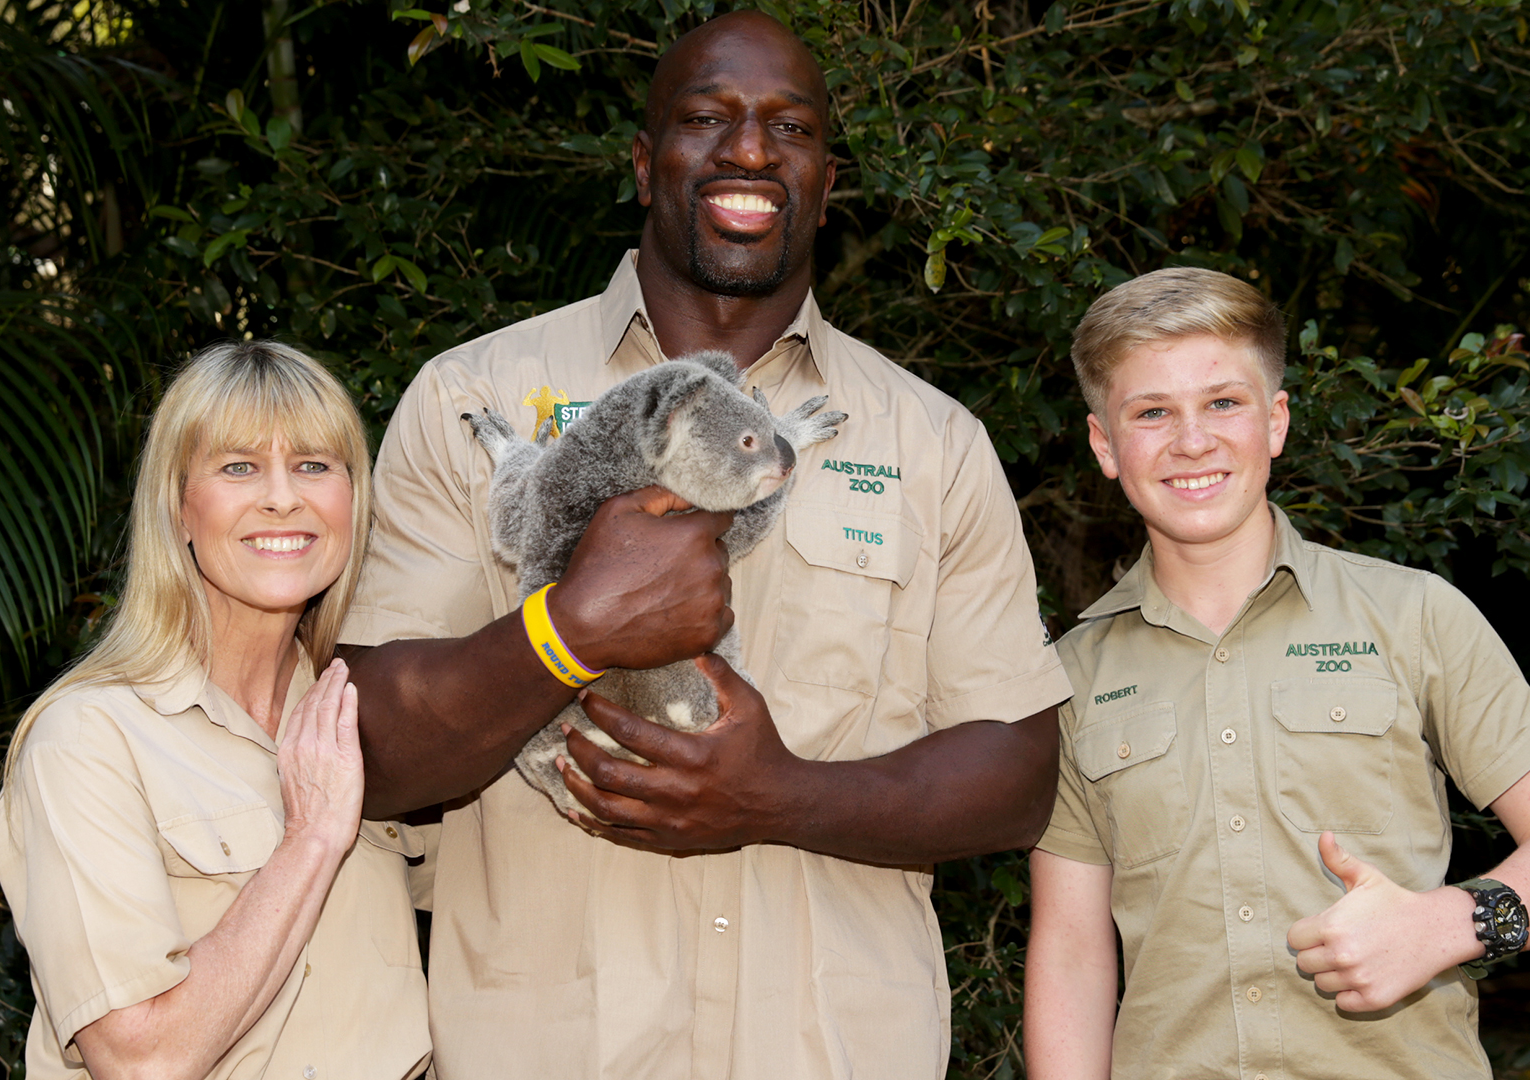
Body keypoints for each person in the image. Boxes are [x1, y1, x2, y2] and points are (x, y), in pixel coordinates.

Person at [335, 10, 1072, 1078]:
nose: (749, 149)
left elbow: (1018, 775)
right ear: (645, 163)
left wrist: (778, 797)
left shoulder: (933, 441)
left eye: (791, 127)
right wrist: (569, 630)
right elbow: (363, 748)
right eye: (705, 117)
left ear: (826, 180)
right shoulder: (474, 397)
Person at [1022, 267, 1530, 1079]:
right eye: (1151, 413)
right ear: (1106, 444)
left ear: (1275, 421)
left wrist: (1450, 923)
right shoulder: (1071, 677)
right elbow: (1070, 950)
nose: (1192, 441)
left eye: (1223, 402)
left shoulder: (1414, 616)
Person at [0, 342, 430, 1080]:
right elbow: (141, 1061)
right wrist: (313, 836)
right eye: (238, 467)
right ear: (177, 507)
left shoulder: (369, 709)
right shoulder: (89, 739)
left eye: (316, 465)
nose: (283, 496)